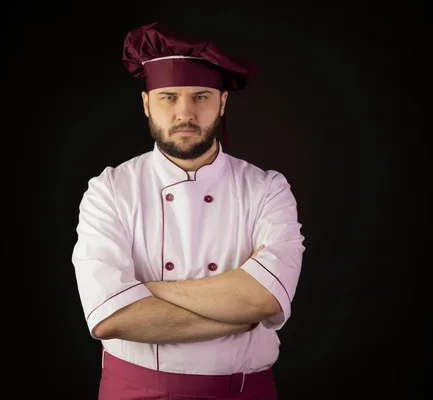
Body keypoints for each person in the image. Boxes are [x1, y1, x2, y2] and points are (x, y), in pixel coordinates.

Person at [71, 22, 306, 400]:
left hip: (243, 391)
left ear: (222, 102)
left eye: (201, 96)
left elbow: (265, 299)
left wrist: (147, 292)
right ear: (146, 103)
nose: (185, 113)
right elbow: (110, 317)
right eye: (168, 97)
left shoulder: (266, 188)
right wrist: (236, 310)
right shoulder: (110, 190)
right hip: (135, 391)